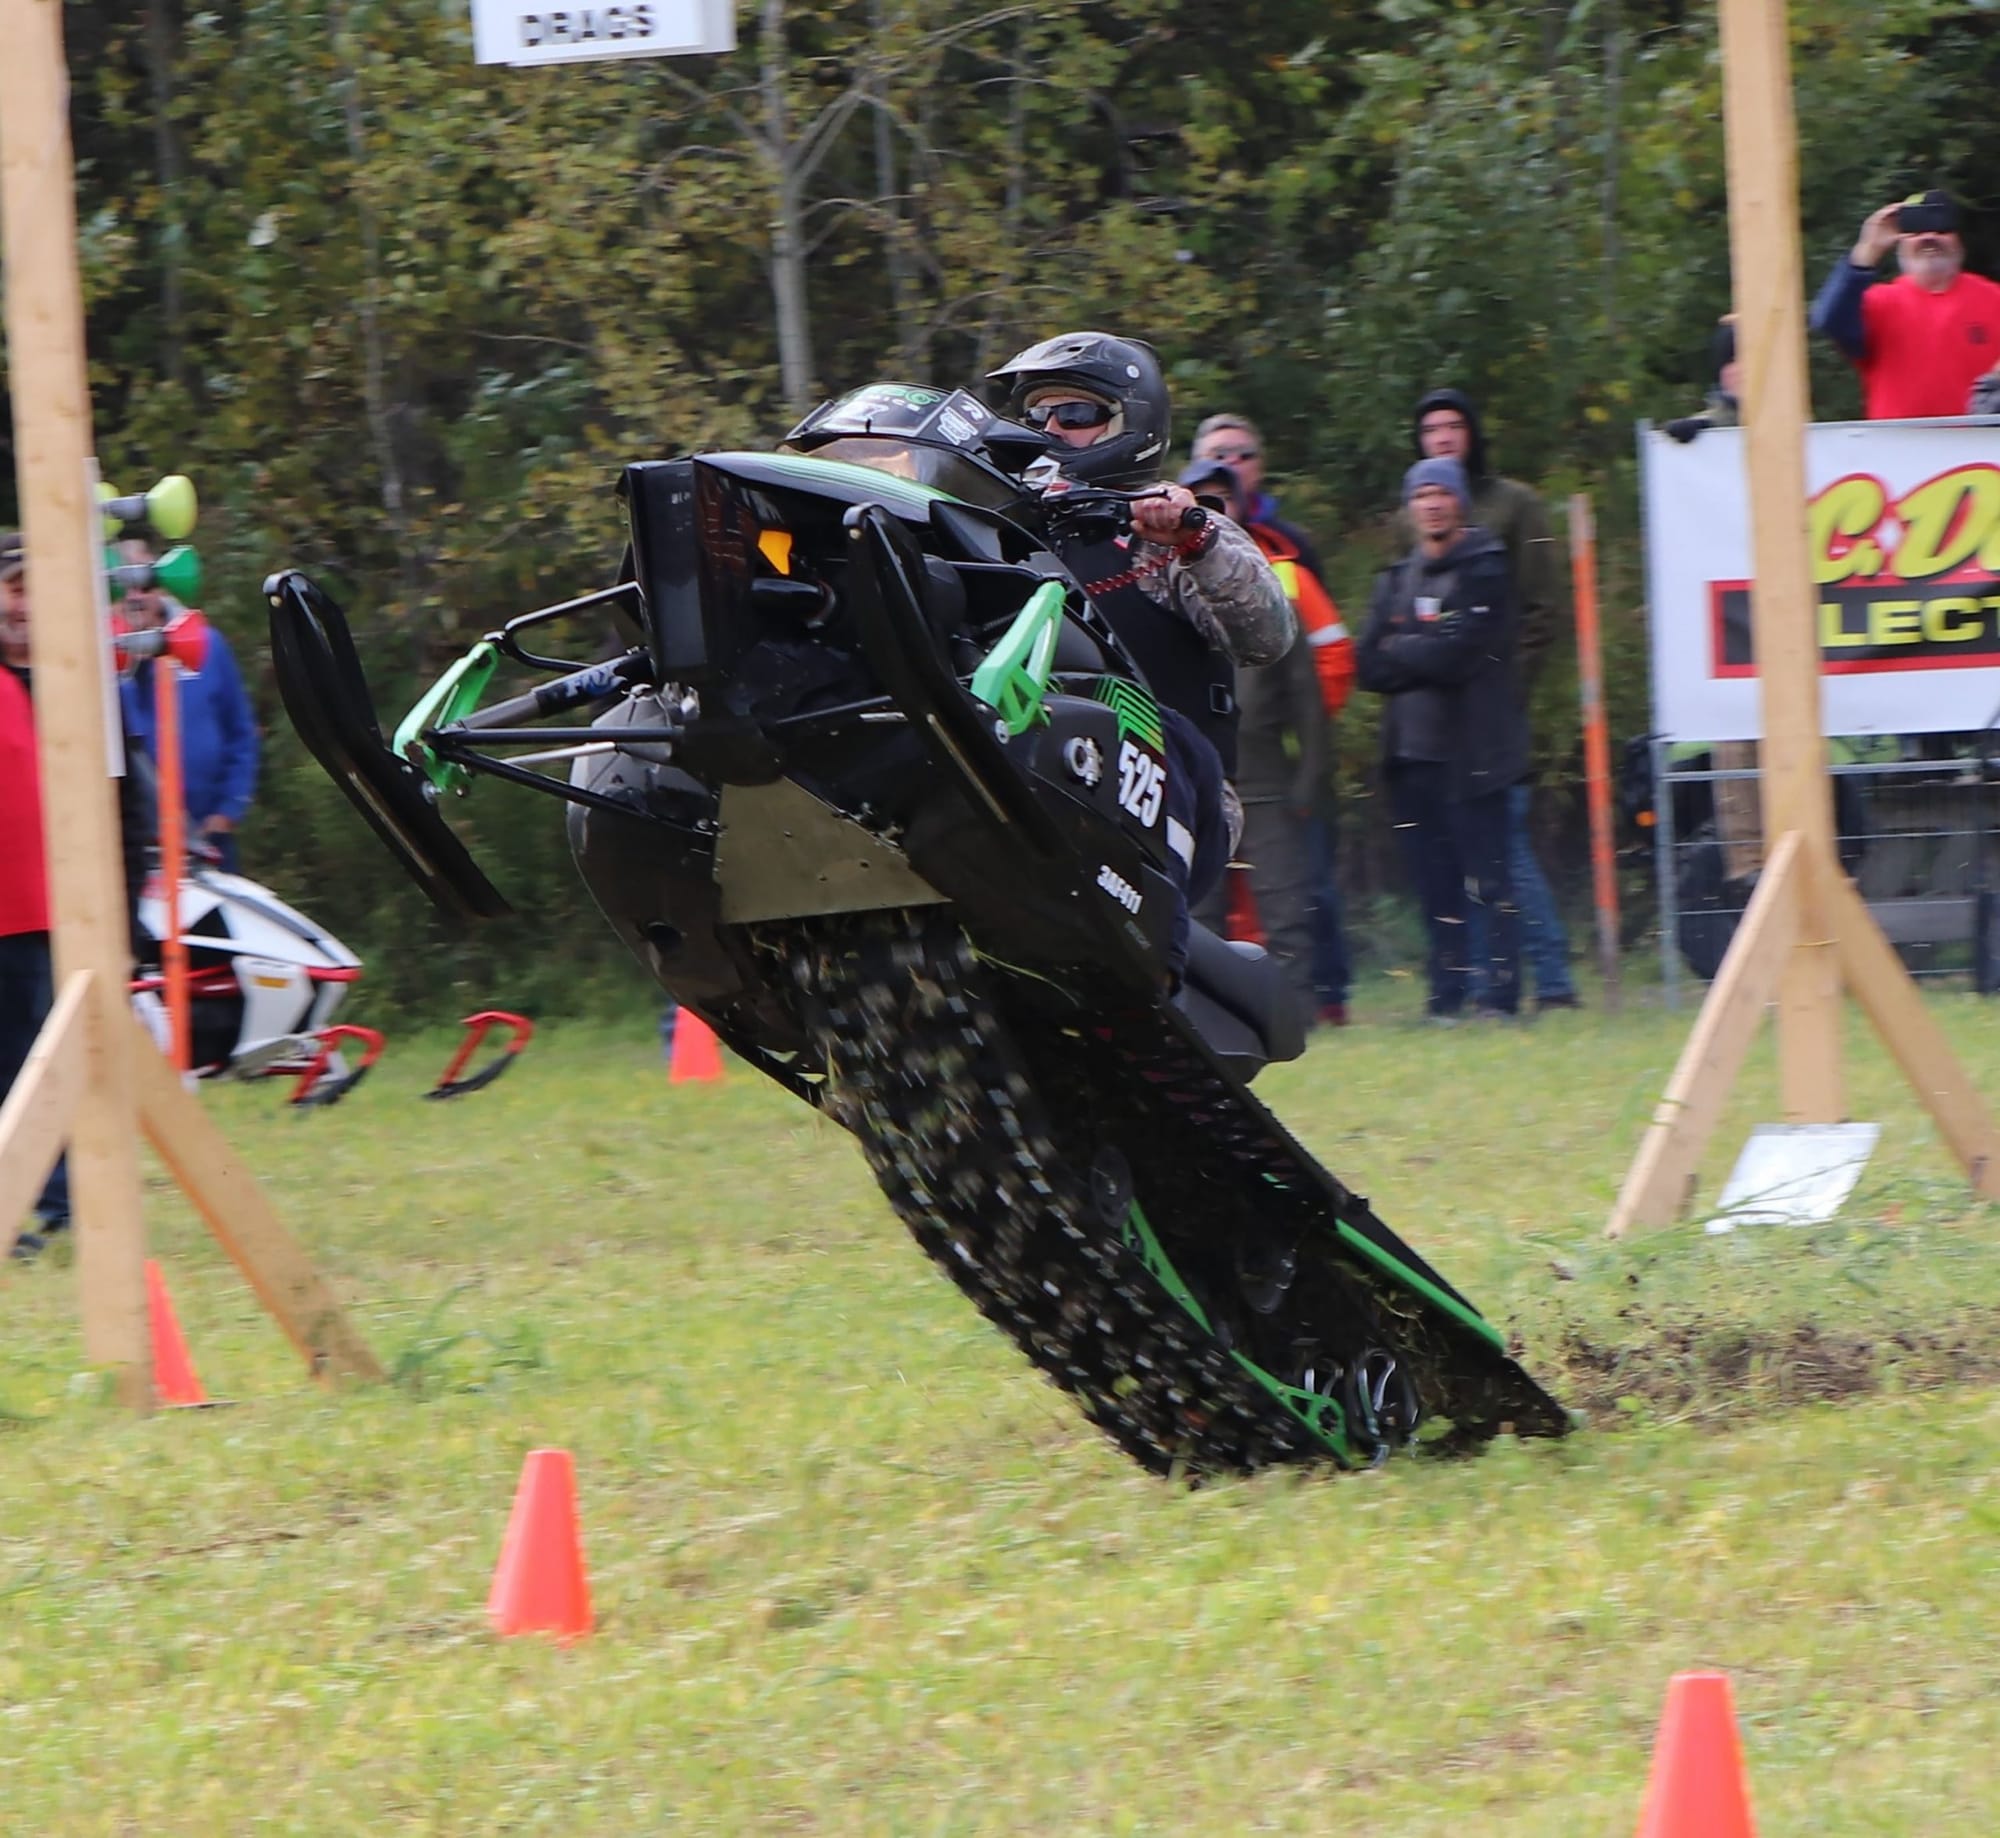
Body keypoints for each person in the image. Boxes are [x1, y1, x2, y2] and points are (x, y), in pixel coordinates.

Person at [985, 333, 1295, 986]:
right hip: (1036, 767)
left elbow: (1267, 635)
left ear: (1129, 420)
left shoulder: (1162, 529)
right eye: (1038, 416)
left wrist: (1195, 539)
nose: (1050, 430)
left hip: (1173, 784)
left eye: (1072, 415)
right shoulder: (1006, 534)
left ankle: (1153, 990)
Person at [1407, 387, 1578, 1010]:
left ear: (1473, 433)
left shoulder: (1514, 506)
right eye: (1432, 430)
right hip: (1440, 719)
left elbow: (1541, 610)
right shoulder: (1425, 507)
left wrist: (1506, 687)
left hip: (1495, 710)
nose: (1444, 437)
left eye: (1455, 425)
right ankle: (1485, 981)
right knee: (1464, 848)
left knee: (1505, 844)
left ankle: (1553, 979)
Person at [1189, 413, 1353, 1023]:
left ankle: (1296, 1014)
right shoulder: (1157, 589)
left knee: (1286, 901)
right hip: (1195, 775)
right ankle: (1205, 1016)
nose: (1216, 509)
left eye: (1224, 500)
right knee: (1196, 905)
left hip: (1263, 779)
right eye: (1203, 501)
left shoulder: (1277, 585)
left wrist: (1310, 778)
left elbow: (1311, 699)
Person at [1356, 459, 1526, 1020]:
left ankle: (1500, 997)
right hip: (1410, 757)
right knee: (1433, 886)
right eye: (1421, 494)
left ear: (1459, 502)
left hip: (1472, 754)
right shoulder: (1395, 577)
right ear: (1410, 506)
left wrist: (1403, 646)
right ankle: (1444, 997)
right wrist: (1422, 646)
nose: (1431, 504)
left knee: (1488, 879)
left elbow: (1461, 654)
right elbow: (1366, 665)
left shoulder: (1486, 570)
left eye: (1441, 494)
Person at [1, 534, 71, 1256]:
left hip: (37, 910)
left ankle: (49, 1199)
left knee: (33, 1057)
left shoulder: (64, 680)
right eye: (13, 588)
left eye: (33, 591)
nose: (23, 607)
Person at [117, 537, 259, 872]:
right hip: (141, 845)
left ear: (161, 587)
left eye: (145, 585)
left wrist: (228, 810)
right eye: (127, 586)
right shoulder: (107, 658)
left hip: (210, 839)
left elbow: (241, 731)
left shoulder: (205, 645)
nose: (136, 596)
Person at [1810, 190, 2000, 421]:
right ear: (1900, 240)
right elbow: (1828, 319)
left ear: (1958, 239)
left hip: (1978, 450)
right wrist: (1868, 249)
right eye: (1916, 229)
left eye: (1941, 228)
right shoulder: (1879, 303)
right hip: (1898, 453)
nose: (1929, 237)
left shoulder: (1993, 298)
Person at [1664, 318, 1742, 443]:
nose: (1738, 371)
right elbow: (1722, 418)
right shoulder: (1721, 416)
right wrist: (1700, 424)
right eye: (1730, 361)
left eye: (1742, 358)